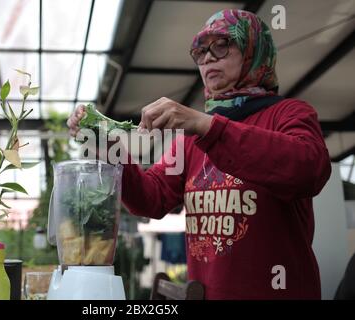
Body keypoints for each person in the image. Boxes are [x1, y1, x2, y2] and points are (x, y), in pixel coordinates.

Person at [67, 9, 331, 299]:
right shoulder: (192, 139)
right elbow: (150, 200)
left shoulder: (288, 114)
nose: (208, 58)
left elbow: (309, 169)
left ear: (254, 49)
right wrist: (108, 146)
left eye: (221, 45)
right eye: (200, 51)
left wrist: (208, 126)